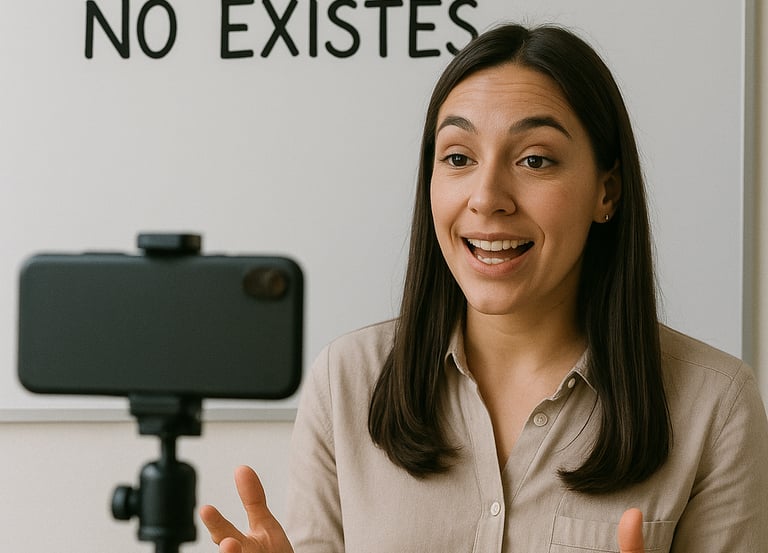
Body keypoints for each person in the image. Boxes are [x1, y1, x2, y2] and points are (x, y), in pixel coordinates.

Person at [200, 23, 768, 552]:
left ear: (607, 192)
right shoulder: (346, 381)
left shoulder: (715, 406)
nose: (487, 197)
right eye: (458, 158)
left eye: (535, 160)